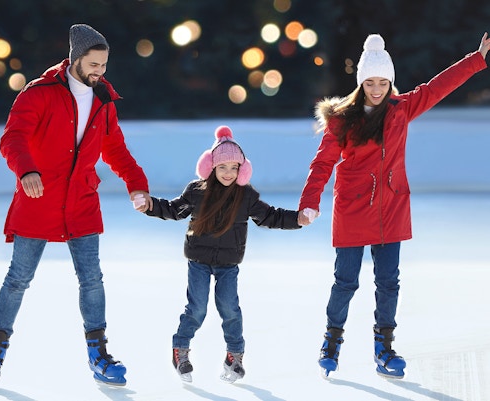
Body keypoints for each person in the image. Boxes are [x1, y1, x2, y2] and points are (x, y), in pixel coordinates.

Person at [298, 32, 490, 379]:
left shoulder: (401, 111)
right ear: (360, 83)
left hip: (391, 207)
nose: (376, 89)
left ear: (390, 82)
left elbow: (436, 88)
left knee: (389, 283)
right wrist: (309, 202)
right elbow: (322, 164)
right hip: (354, 208)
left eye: (382, 82)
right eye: (369, 82)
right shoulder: (343, 119)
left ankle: (384, 348)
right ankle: (331, 342)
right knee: (345, 282)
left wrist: (476, 60)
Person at [0, 24, 153, 387]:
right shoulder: (39, 93)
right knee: (18, 279)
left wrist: (137, 186)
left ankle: (99, 354)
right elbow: (13, 138)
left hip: (82, 203)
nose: (100, 72)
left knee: (92, 279)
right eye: (93, 65)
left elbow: (116, 150)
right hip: (38, 199)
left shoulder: (103, 99)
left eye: (104, 65)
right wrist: (26, 170)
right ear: (75, 59)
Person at [138, 125, 302, 383]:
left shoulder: (246, 196)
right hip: (199, 261)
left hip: (228, 263)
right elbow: (172, 209)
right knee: (197, 308)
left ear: (242, 170)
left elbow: (270, 216)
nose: (228, 173)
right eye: (222, 167)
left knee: (230, 308)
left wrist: (298, 219)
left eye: (234, 167)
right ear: (211, 167)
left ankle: (234, 357)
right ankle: (180, 349)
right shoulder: (197, 191)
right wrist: (149, 206)